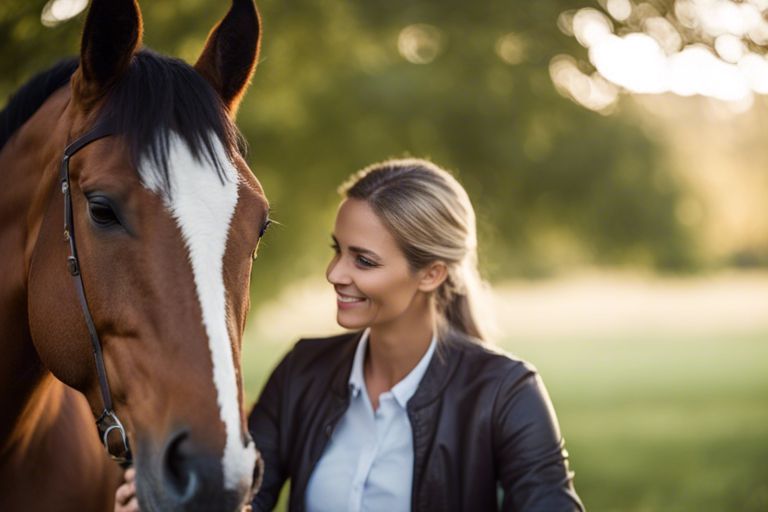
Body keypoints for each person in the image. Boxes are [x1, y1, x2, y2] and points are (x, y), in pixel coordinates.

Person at [115, 158, 583, 512]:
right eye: (338, 250)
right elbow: (244, 502)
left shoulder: (506, 392)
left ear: (432, 274)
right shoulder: (302, 371)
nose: (335, 273)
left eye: (364, 260)